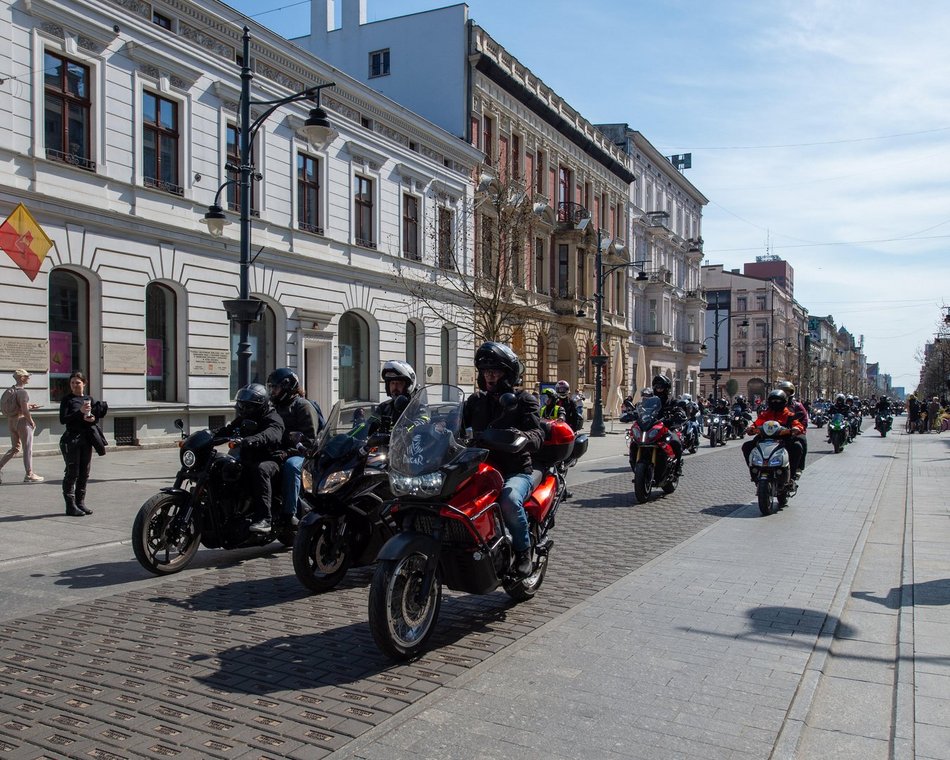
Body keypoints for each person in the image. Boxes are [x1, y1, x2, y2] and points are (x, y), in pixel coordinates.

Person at [463, 342, 544, 578]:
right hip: (480, 469)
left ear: (508, 374)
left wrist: (521, 437)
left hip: (516, 470)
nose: (489, 375)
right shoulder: (476, 401)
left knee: (508, 500)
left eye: (495, 370)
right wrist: (436, 428)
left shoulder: (524, 400)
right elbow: (457, 425)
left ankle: (523, 552)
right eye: (485, 370)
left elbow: (538, 435)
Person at [217, 383, 285, 533]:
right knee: (221, 465)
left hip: (270, 460)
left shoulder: (273, 418)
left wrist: (251, 439)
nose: (244, 409)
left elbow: (271, 435)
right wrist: (207, 435)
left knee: (260, 470)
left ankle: (264, 519)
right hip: (247, 457)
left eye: (248, 406)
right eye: (242, 405)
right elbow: (227, 430)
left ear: (260, 405)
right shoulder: (244, 418)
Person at [265, 368, 321, 527]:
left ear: (287, 386)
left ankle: (290, 513)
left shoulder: (302, 406)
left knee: (290, 467)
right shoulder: (275, 406)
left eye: (275, 387)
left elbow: (310, 440)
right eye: (271, 388)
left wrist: (288, 452)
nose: (272, 391)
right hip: (279, 452)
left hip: (303, 454)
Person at [58, 371, 108, 516]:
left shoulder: (88, 399)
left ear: (84, 384)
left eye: (77, 382)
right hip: (71, 440)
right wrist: (79, 412)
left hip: (86, 439)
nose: (74, 385)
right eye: (72, 382)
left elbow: (93, 418)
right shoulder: (67, 400)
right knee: (72, 473)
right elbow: (63, 419)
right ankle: (70, 505)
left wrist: (93, 419)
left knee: (84, 473)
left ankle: (80, 503)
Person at [741, 389, 806, 479]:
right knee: (747, 446)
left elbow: (797, 424)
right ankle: (755, 471)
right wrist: (751, 428)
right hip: (764, 438)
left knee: (797, 446)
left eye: (778, 400)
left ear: (784, 402)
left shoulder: (788, 415)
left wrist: (796, 428)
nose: (775, 403)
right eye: (773, 400)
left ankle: (792, 474)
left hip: (784, 439)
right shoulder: (765, 414)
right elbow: (757, 423)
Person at [0, 369, 44, 484]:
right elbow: (24, 411)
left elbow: (18, 406)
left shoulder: (11, 391)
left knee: (15, 448)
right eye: (27, 376)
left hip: (11, 421)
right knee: (27, 448)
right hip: (22, 422)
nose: (29, 378)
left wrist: (29, 406)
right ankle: (29, 474)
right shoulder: (23, 392)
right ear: (21, 378)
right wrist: (31, 421)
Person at [367, 360, 417, 436]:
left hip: (408, 446)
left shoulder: (416, 406)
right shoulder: (384, 407)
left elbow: (421, 421)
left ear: (408, 386)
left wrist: (404, 431)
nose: (395, 387)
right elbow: (370, 424)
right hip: (385, 447)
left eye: (399, 383)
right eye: (392, 383)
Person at [775, 380, 809, 471]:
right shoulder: (774, 404)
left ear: (791, 392)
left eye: (787, 391)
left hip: (792, 432)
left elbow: (804, 419)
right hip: (775, 432)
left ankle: (798, 468)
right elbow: (764, 417)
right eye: (783, 391)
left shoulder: (797, 405)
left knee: (801, 442)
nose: (785, 393)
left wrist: (798, 428)